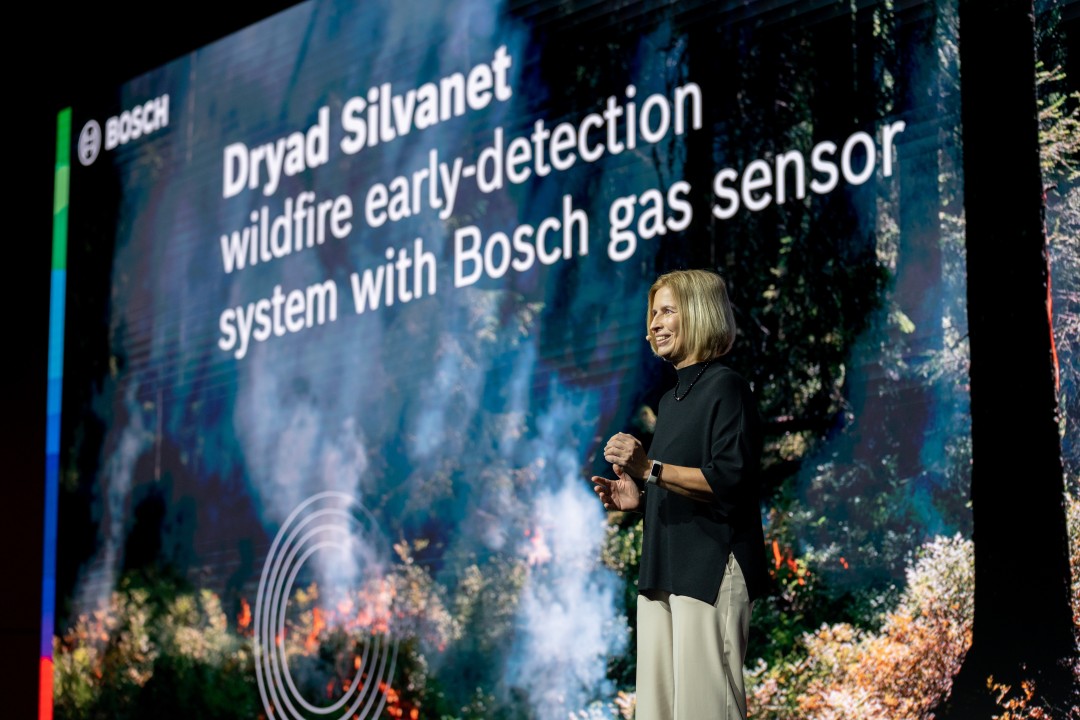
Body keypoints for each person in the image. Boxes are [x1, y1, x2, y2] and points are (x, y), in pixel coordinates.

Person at [592, 268, 767, 720]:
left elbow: (729, 480)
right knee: (657, 711)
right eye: (653, 314)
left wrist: (649, 468)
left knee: (706, 709)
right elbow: (676, 480)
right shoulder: (671, 402)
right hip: (662, 570)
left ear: (700, 314)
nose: (654, 323)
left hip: (710, 567)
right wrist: (641, 498)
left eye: (667, 311)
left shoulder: (726, 386)